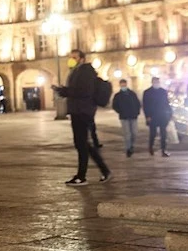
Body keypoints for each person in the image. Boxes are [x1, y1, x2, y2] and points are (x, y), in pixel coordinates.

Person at [52, 49, 111, 186]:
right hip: (78, 110)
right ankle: (104, 171)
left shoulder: (85, 71)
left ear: (82, 59)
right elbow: (77, 90)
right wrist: (64, 91)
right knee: (83, 143)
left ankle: (82, 176)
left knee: (81, 143)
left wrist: (64, 91)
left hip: (83, 111)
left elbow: (83, 91)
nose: (71, 59)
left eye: (74, 57)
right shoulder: (77, 71)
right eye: (70, 57)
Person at [142, 76, 172, 157]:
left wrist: (170, 114)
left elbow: (166, 103)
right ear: (152, 83)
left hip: (162, 116)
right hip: (152, 116)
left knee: (163, 134)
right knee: (153, 133)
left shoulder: (163, 91)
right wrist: (147, 116)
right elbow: (145, 105)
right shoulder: (147, 92)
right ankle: (150, 148)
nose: (156, 84)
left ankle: (163, 150)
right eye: (155, 82)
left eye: (158, 82)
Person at [111, 79, 141, 157]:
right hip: (124, 117)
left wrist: (137, 112)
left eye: (124, 84)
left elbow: (137, 103)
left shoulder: (132, 94)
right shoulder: (118, 95)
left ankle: (132, 145)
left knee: (134, 132)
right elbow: (114, 105)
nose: (123, 86)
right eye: (122, 85)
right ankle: (128, 148)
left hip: (133, 116)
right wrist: (120, 111)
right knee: (127, 133)